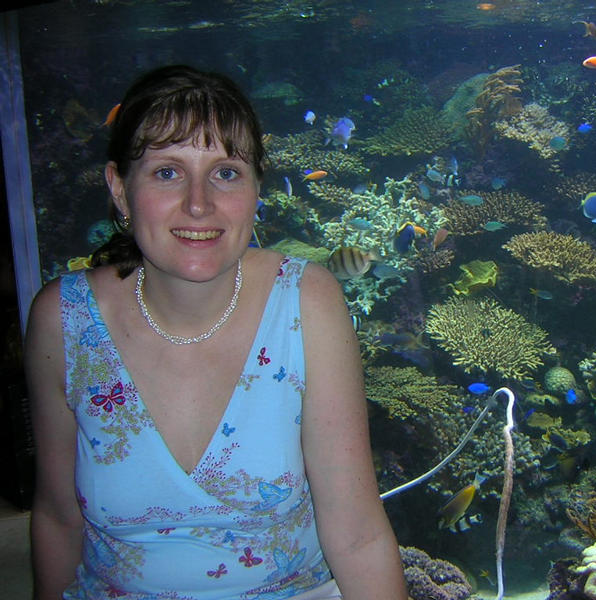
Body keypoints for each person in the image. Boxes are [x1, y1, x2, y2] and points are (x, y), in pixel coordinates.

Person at [25, 65, 407, 600]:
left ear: (256, 189)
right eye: (166, 172)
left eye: (225, 172)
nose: (199, 203)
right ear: (118, 188)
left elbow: (359, 535)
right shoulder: (62, 319)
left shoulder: (307, 302)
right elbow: (57, 518)